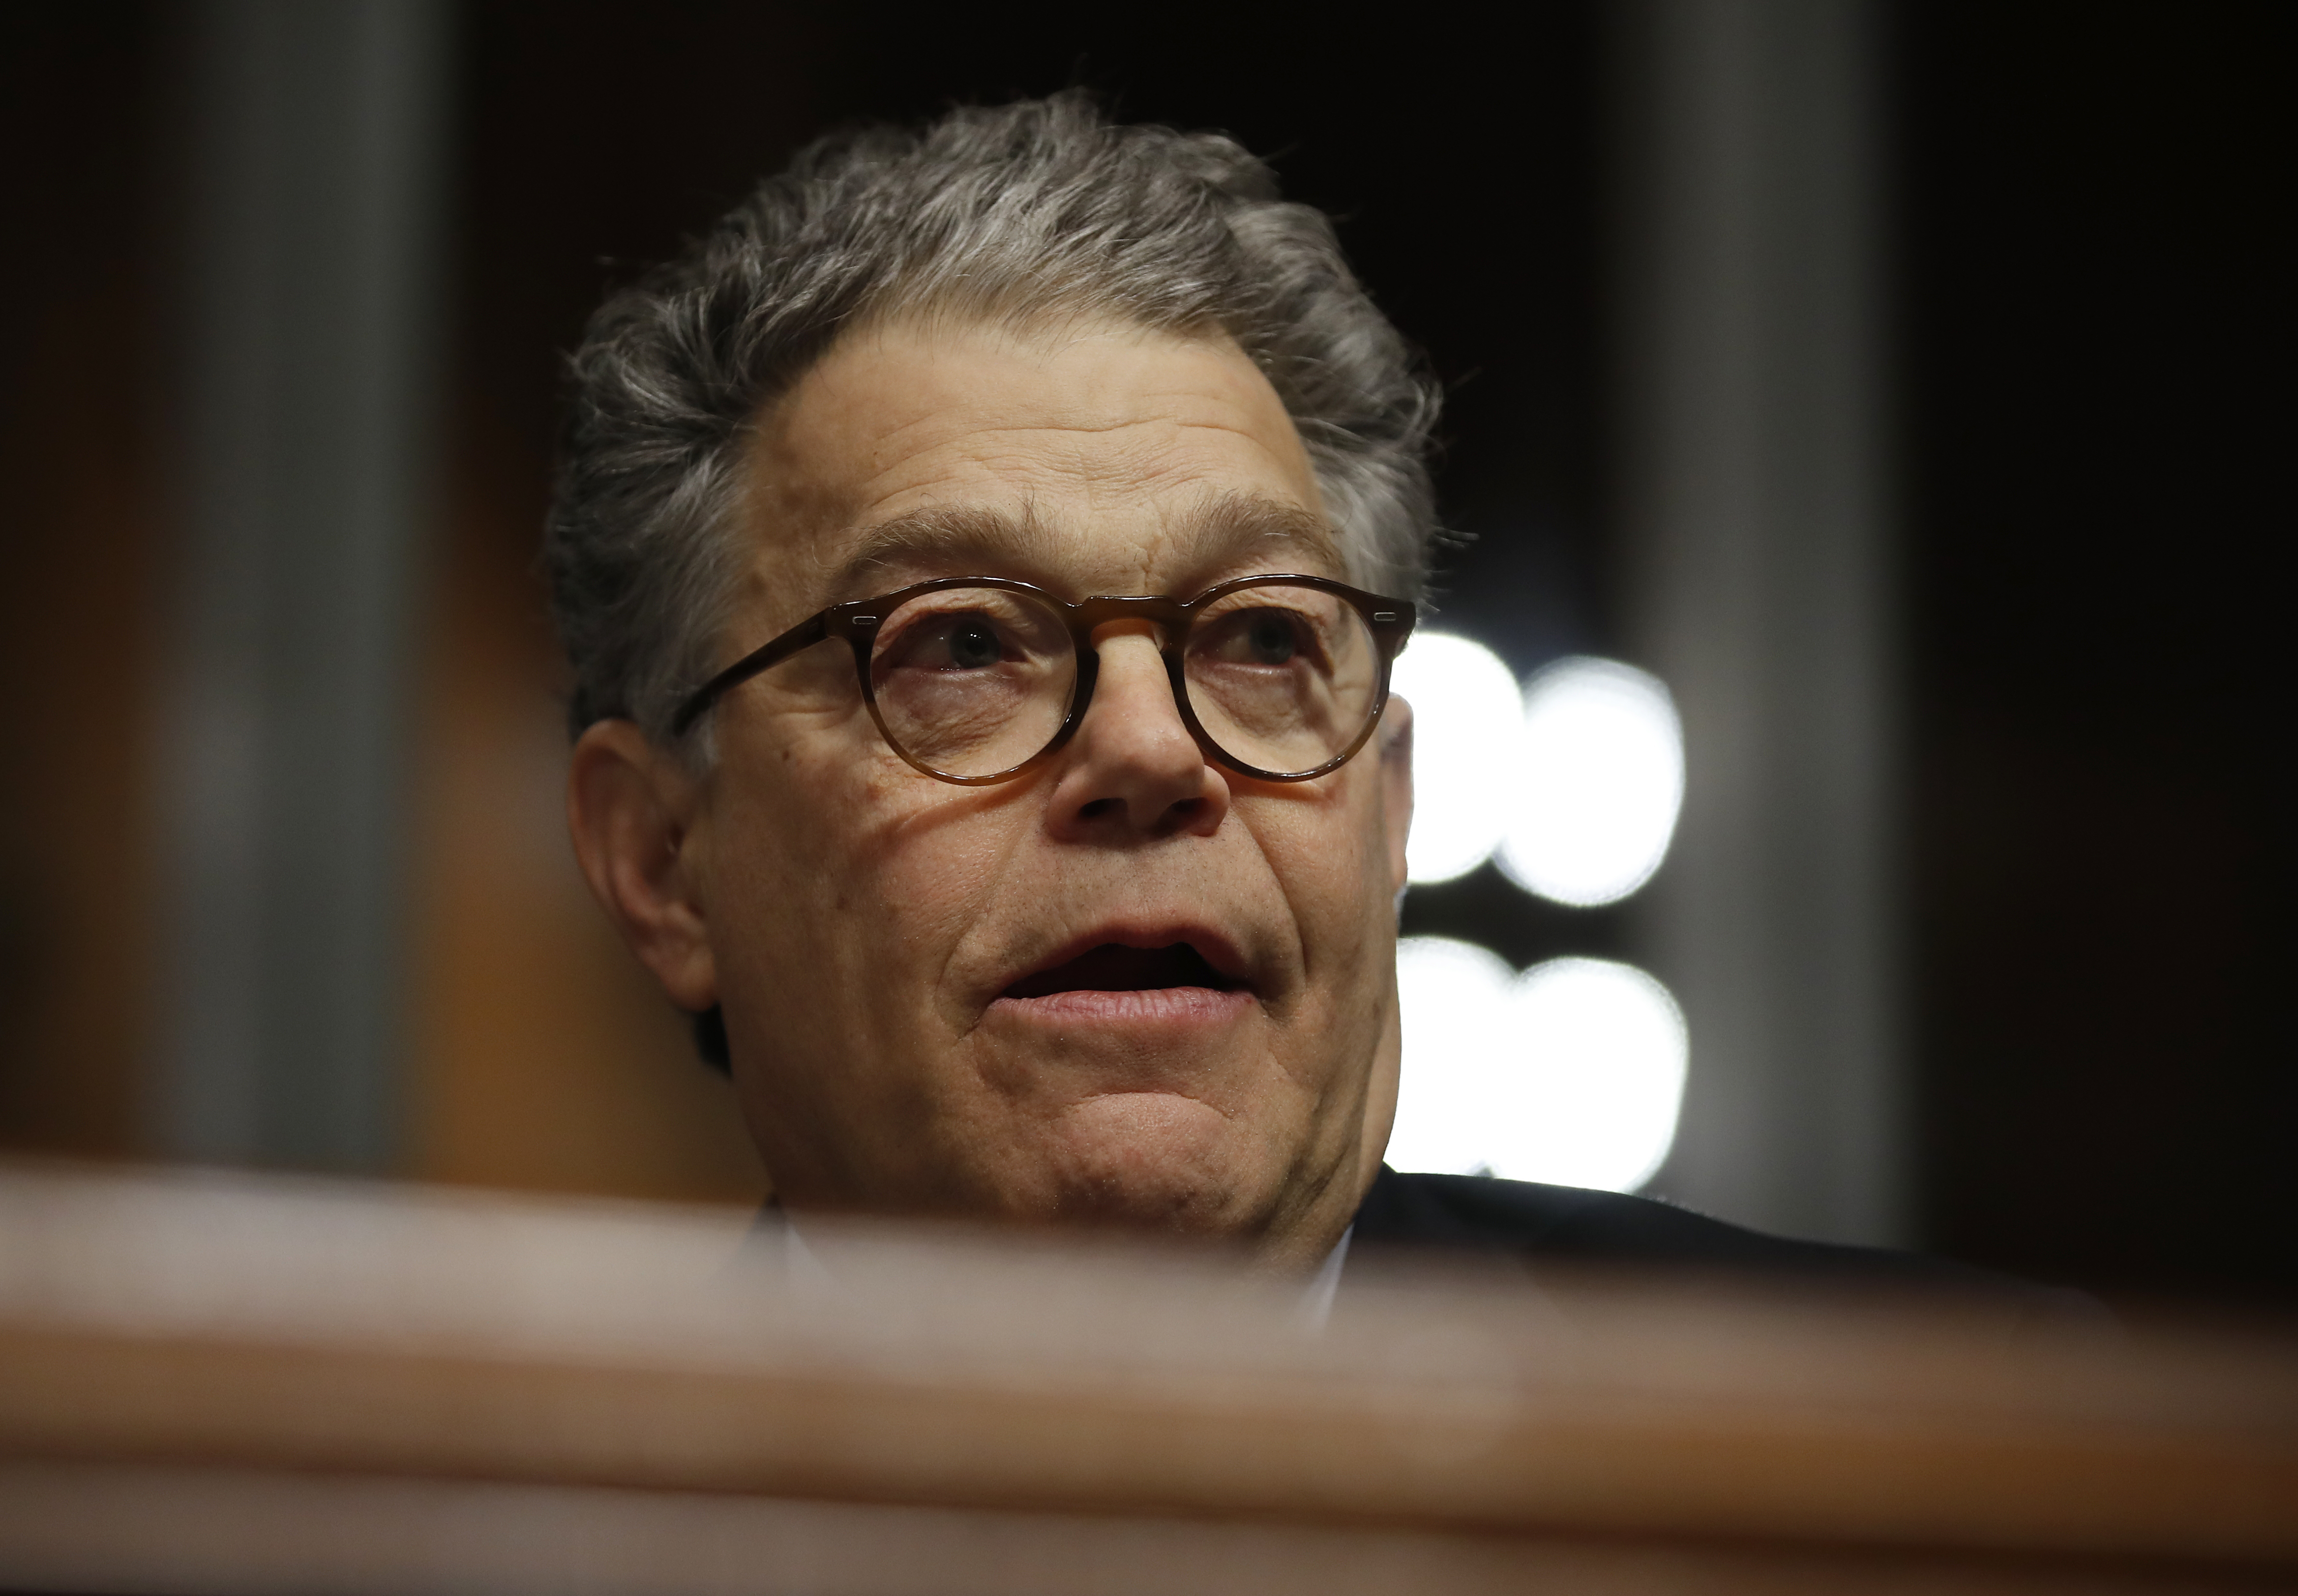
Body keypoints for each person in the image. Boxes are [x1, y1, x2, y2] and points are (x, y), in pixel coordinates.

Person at [551, 93, 2013, 1296]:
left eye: (1260, 640)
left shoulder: (1965, 1464)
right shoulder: (443, 1529)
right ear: (664, 863)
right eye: (963, 646)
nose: (1147, 747)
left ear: (1387, 813)